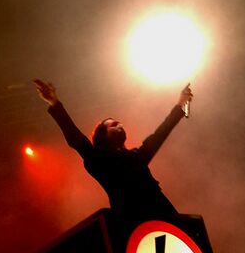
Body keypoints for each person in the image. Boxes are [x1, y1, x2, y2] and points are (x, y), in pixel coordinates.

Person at [33, 79, 193, 222]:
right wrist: (54, 103)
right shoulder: (98, 158)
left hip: (166, 216)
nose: (119, 124)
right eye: (113, 124)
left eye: (119, 123)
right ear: (102, 136)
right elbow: (75, 138)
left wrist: (180, 104)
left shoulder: (137, 156)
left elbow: (160, 133)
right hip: (133, 222)